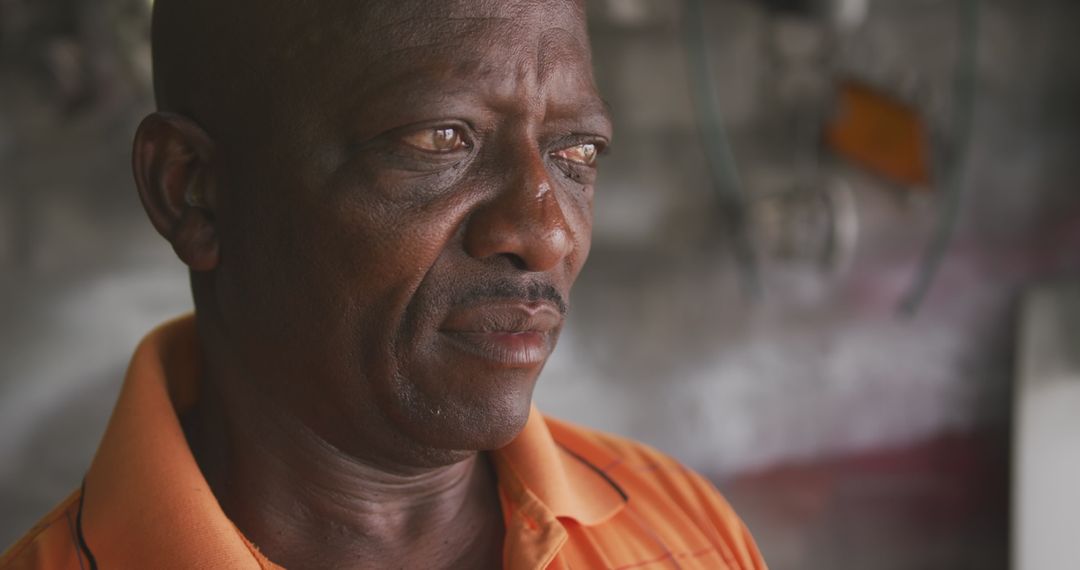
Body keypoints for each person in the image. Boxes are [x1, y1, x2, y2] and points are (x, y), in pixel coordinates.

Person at [1, 1, 766, 568]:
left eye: (578, 152)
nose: (545, 234)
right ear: (192, 189)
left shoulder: (685, 532)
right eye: (441, 138)